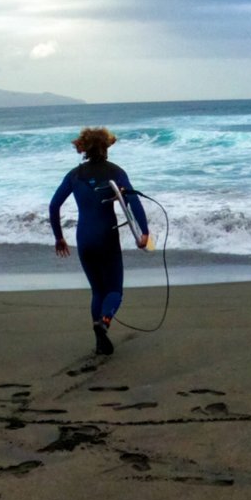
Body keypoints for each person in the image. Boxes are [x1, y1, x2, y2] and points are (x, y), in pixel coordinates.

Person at [49, 127, 150, 355]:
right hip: (106, 236)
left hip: (84, 237)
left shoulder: (74, 175)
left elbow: (54, 206)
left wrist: (59, 237)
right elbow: (133, 201)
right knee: (114, 289)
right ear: (106, 147)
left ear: (83, 147)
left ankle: (99, 340)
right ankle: (104, 321)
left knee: (97, 290)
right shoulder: (116, 172)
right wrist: (144, 232)